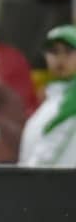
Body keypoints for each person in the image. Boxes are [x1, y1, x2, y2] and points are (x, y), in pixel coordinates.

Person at [19, 25, 76, 168]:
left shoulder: (72, 98)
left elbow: (50, 148)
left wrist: (23, 181)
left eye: (69, 51)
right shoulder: (53, 98)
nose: (60, 58)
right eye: (53, 51)